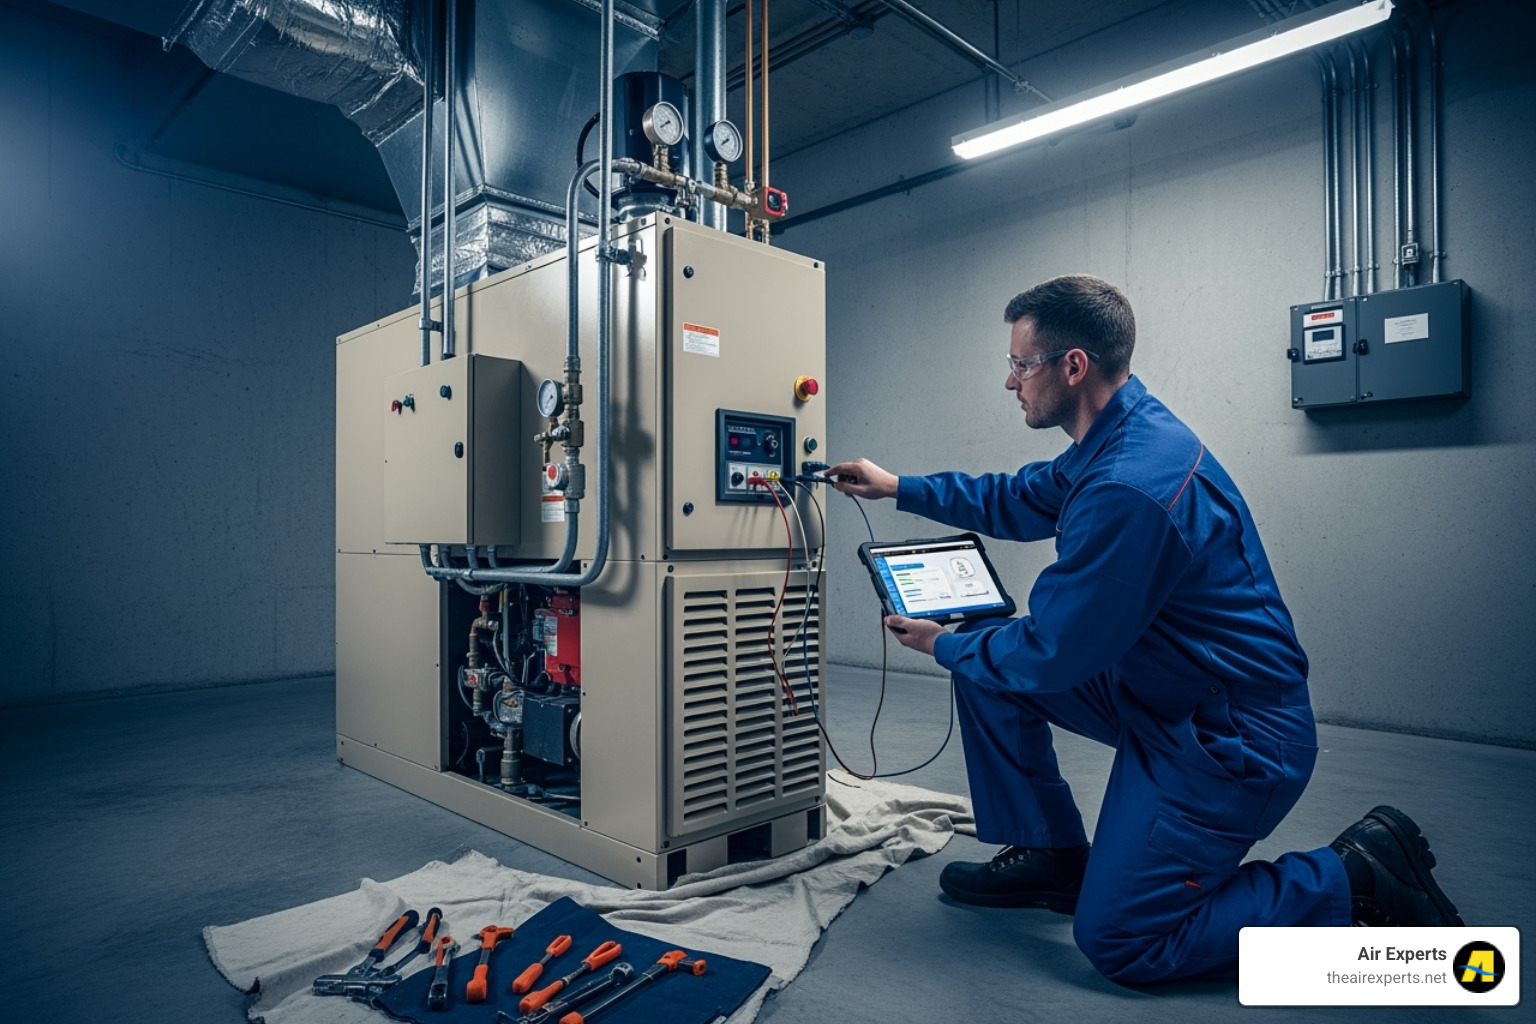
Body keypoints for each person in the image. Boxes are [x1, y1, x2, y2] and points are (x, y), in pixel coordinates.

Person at [825, 275, 1462, 985]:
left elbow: (1051, 654)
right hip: (1165, 688)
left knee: (1125, 942)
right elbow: (1022, 497)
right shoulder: (1120, 431)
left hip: (1230, 739)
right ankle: (1054, 855)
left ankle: (1354, 874)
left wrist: (942, 643)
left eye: (1021, 364)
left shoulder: (1131, 485)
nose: (1010, 382)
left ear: (1073, 366)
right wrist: (899, 487)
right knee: (983, 668)